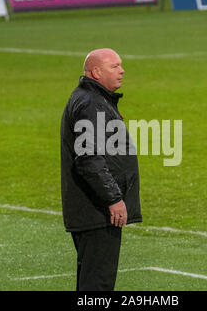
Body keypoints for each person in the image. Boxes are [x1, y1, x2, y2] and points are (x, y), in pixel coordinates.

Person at [60, 48, 142, 291]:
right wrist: (114, 198)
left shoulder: (93, 99)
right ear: (96, 72)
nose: (122, 70)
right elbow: (88, 159)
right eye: (115, 66)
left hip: (93, 209)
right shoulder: (91, 104)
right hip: (97, 211)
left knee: (92, 282)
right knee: (98, 285)